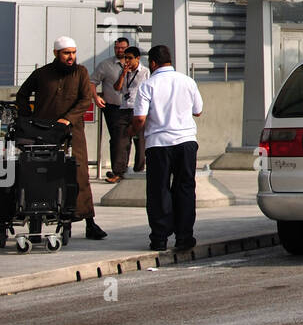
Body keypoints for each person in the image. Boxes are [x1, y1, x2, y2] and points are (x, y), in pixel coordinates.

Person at [15, 37, 107, 240]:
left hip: (73, 131)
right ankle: (43, 220)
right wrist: (29, 121)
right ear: (56, 53)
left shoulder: (80, 72)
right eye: (66, 53)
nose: (71, 57)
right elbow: (22, 95)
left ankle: (89, 222)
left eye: (73, 53)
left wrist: (67, 119)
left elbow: (85, 100)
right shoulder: (42, 74)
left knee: (79, 174)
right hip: (45, 134)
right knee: (46, 175)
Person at [129, 45, 203, 252]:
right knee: (185, 188)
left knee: (159, 190)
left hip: (159, 144)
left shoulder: (148, 85)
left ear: (152, 63)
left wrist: (130, 132)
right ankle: (184, 237)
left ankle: (159, 239)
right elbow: (198, 111)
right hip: (186, 142)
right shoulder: (188, 81)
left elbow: (140, 118)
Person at [106, 46, 149, 182]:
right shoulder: (124, 71)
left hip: (138, 110)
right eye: (126, 58)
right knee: (120, 140)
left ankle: (138, 170)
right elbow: (117, 88)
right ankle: (119, 172)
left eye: (130, 58)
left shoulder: (144, 72)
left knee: (140, 140)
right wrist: (123, 74)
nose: (127, 61)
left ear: (137, 58)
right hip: (124, 108)